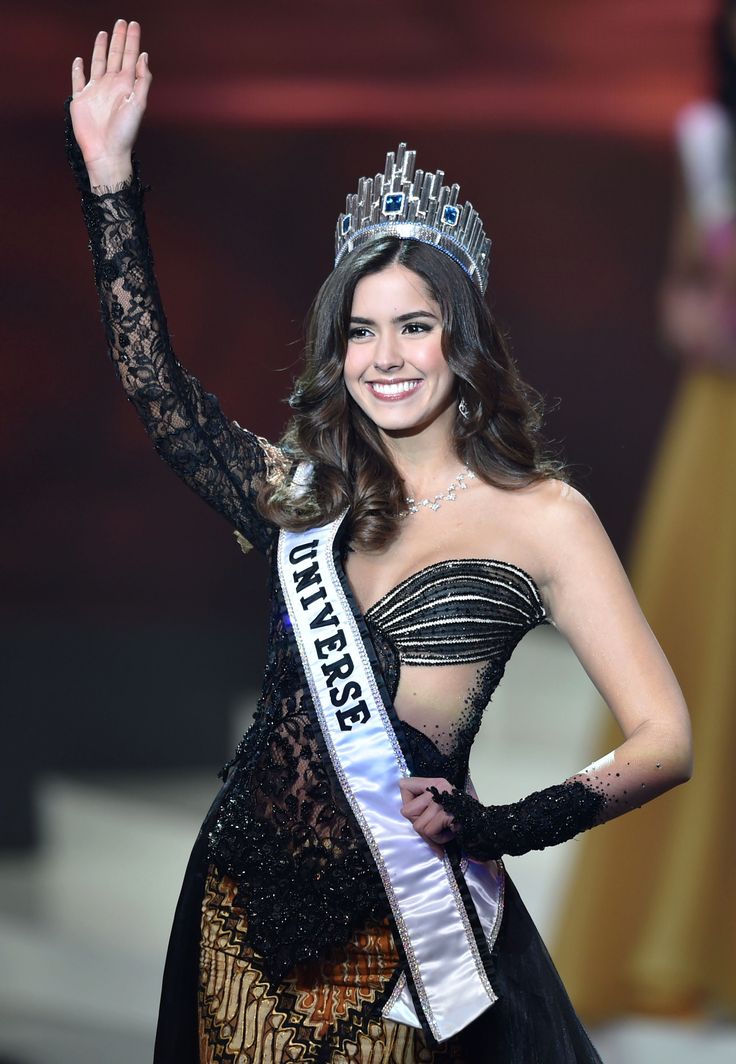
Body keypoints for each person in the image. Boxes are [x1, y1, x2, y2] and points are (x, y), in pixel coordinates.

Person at [67, 19, 692, 1064]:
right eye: (361, 329)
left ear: (464, 336)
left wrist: (499, 825)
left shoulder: (546, 516)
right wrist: (108, 180)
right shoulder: (303, 493)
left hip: (405, 945)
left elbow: (663, 736)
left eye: (414, 324)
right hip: (235, 916)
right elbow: (160, 395)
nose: (385, 356)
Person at [553, 0, 736, 1024]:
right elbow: (678, 291)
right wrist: (702, 322)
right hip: (719, 425)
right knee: (695, 653)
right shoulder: (708, 143)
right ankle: (675, 939)